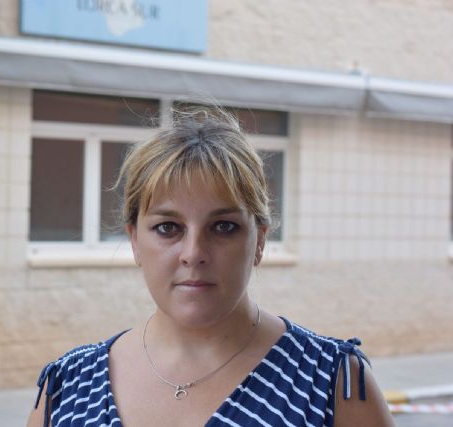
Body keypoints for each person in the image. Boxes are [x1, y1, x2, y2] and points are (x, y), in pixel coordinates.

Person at [27, 106, 395, 427]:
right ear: (135, 240)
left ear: (259, 241)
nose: (193, 253)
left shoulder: (330, 384)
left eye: (223, 227)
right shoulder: (69, 386)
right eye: (168, 228)